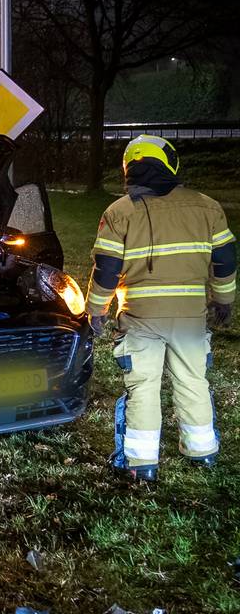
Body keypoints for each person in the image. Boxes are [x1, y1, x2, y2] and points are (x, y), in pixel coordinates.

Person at [85, 135, 232, 481]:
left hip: (140, 318)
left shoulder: (118, 212)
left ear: (129, 168)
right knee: (193, 381)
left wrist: (96, 310)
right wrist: (224, 301)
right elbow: (224, 262)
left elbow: (106, 269)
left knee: (143, 387)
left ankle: (142, 464)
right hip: (190, 319)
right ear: (171, 162)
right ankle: (202, 452)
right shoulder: (208, 207)